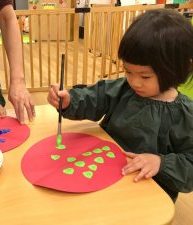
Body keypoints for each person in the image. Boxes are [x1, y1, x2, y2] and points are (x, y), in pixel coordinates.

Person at [47, 9, 193, 202]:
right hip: (103, 171)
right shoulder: (123, 88)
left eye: (145, 76)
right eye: (128, 71)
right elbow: (95, 97)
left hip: (146, 192)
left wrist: (161, 162)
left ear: (180, 68)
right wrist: (69, 101)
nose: (134, 82)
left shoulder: (184, 113)